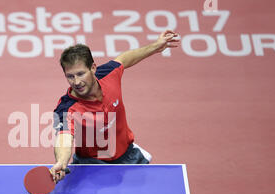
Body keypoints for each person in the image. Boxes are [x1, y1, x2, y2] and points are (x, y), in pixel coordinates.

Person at [50, 30, 180, 183]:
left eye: (80, 74)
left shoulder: (109, 75)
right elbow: (64, 138)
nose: (76, 82)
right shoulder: (66, 108)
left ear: (93, 68)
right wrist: (61, 162)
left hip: (127, 154)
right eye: (70, 76)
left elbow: (124, 59)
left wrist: (155, 46)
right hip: (93, 164)